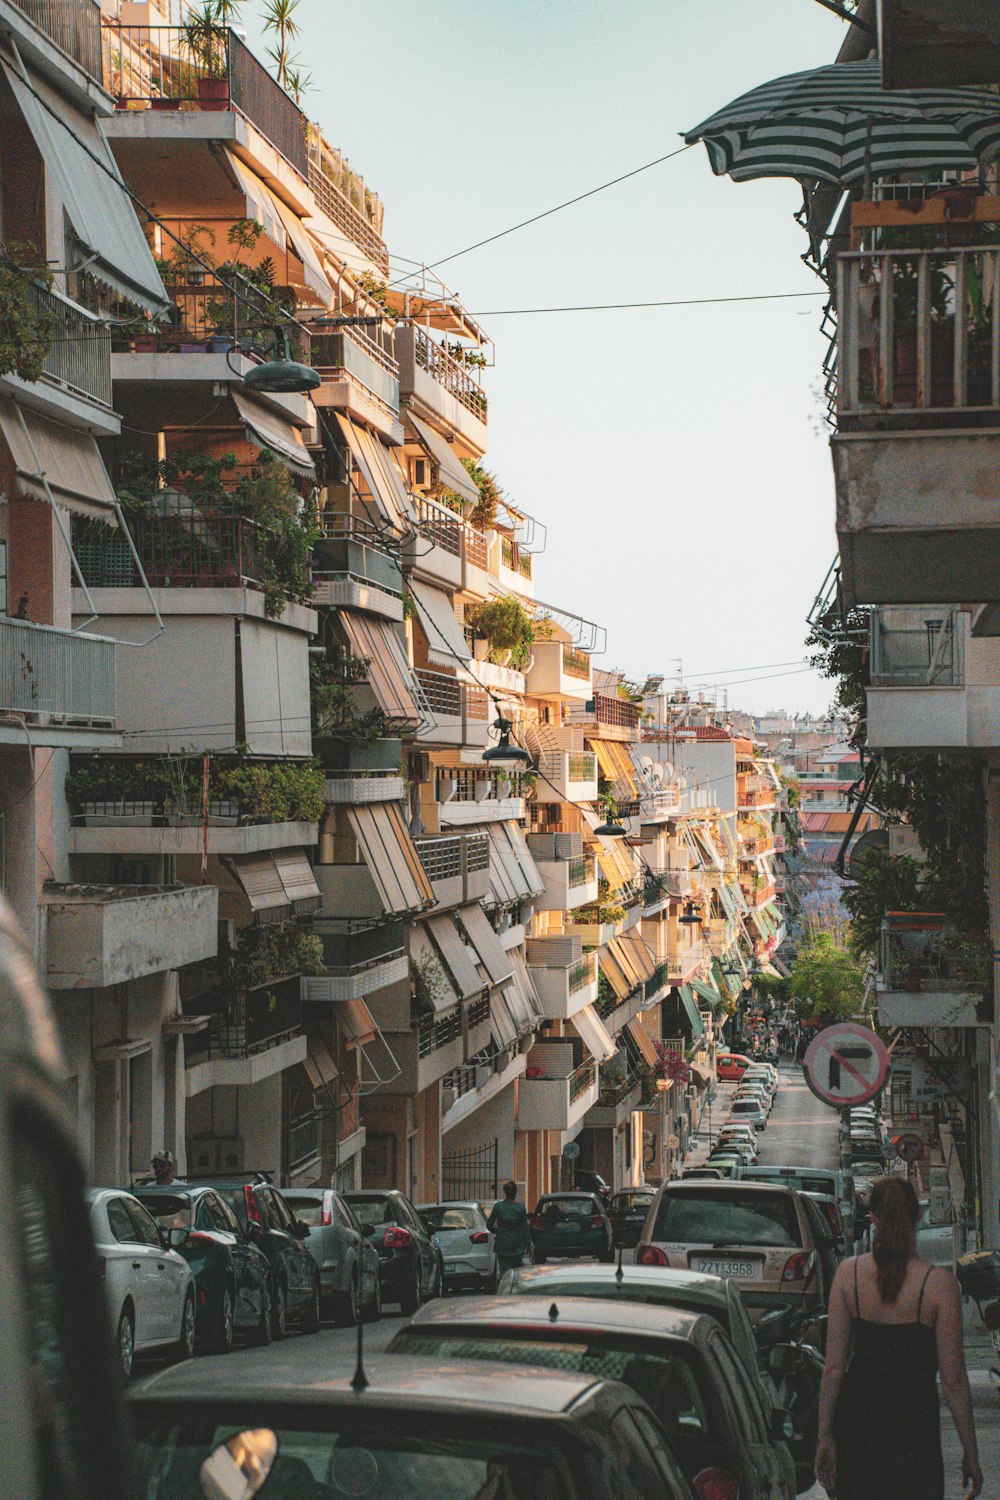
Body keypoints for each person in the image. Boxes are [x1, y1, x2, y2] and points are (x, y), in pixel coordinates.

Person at [815, 1176, 982, 1500]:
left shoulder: (848, 1276)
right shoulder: (938, 1285)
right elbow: (954, 1381)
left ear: (872, 1217)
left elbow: (833, 1368)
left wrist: (825, 1436)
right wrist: (970, 1452)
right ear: (918, 1216)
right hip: (914, 1429)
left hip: (859, 1424)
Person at [487, 1181, 532, 1276]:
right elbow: (525, 1227)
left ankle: (505, 1287)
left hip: (502, 1243)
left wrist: (498, 1231)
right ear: (515, 1193)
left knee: (504, 1270)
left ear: (505, 1192)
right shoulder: (520, 1207)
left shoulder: (498, 1207)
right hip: (517, 1244)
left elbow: (489, 1225)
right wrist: (528, 1243)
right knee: (517, 1270)